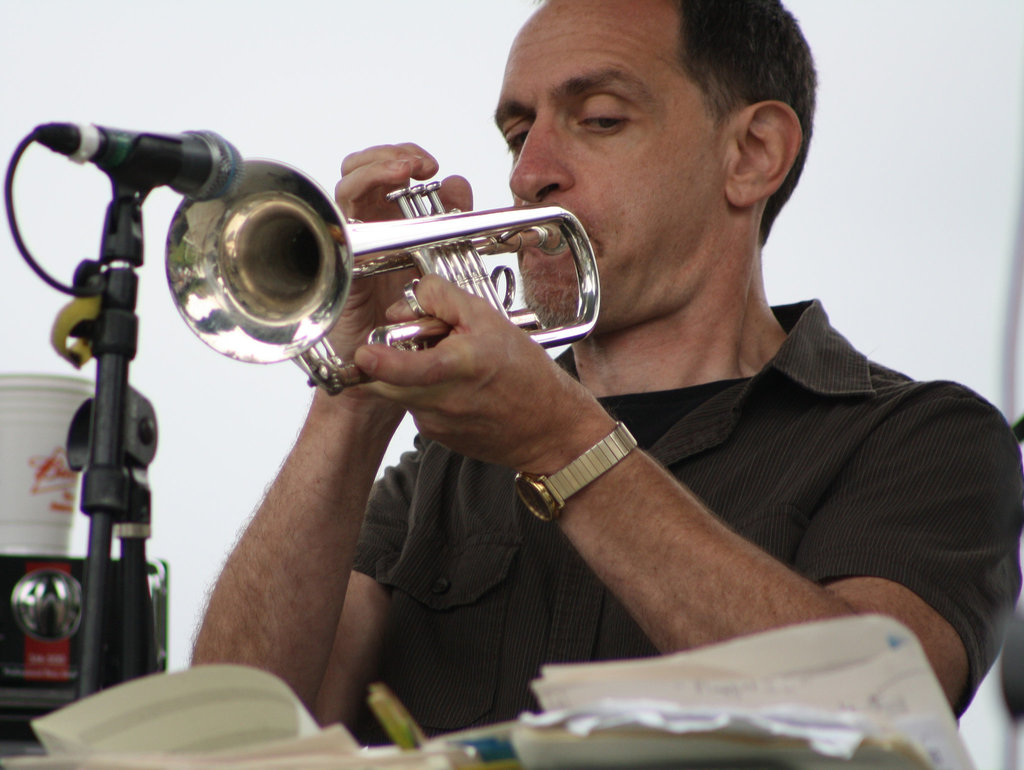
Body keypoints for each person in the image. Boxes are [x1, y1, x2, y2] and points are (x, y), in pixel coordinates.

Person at [191, 0, 1023, 744]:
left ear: (752, 154)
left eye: (597, 119)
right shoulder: (444, 473)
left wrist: (562, 444)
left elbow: (870, 718)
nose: (527, 172)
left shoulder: (924, 440)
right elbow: (224, 736)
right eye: (518, 134)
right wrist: (351, 392)